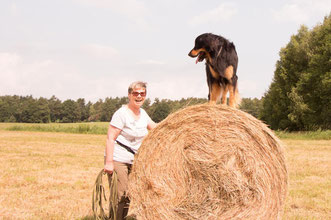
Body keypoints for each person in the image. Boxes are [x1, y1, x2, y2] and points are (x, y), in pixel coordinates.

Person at [104, 81, 157, 220]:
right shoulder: (121, 114)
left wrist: (176, 125)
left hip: (135, 160)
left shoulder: (143, 113)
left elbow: (156, 128)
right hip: (118, 159)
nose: (139, 96)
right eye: (136, 93)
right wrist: (109, 162)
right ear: (129, 95)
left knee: (129, 194)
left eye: (142, 93)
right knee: (120, 193)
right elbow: (110, 138)